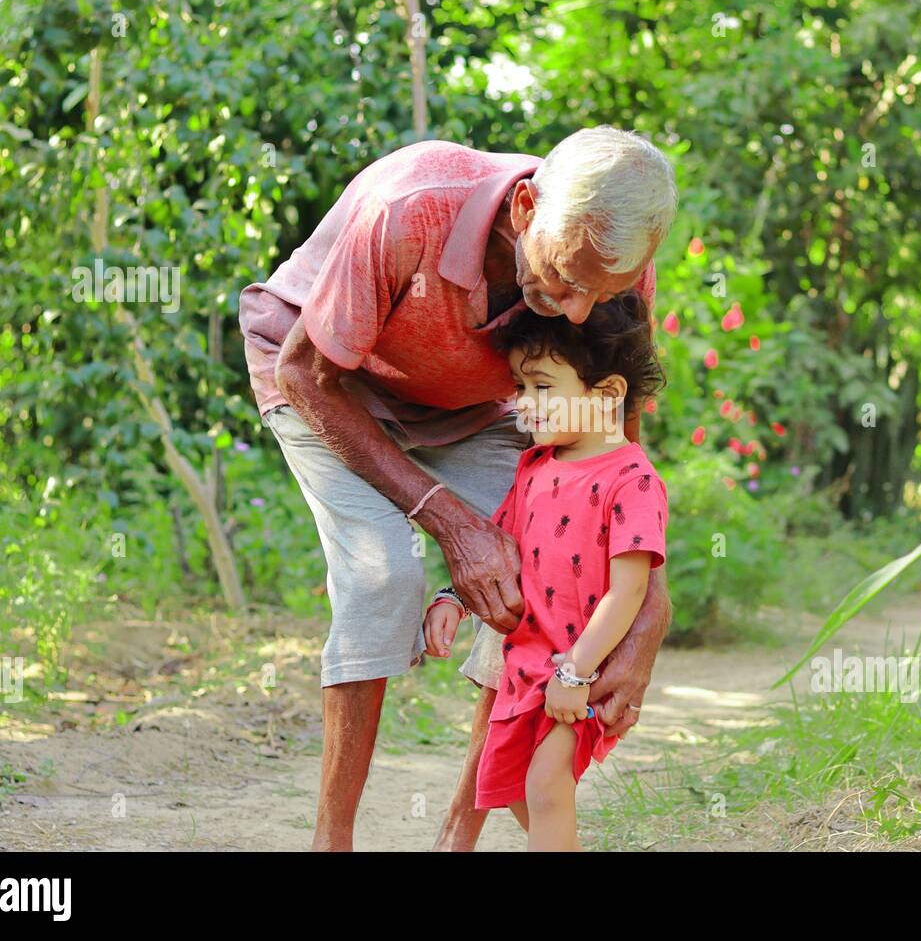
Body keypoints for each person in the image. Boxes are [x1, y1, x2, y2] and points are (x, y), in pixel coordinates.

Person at [237, 126, 678, 850]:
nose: (574, 311)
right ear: (526, 207)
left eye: (599, 293)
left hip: (472, 406)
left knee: (544, 560)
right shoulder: (410, 209)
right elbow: (305, 371)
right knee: (382, 574)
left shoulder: (611, 266)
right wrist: (448, 521)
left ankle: (455, 839)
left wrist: (650, 613)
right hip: (322, 378)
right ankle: (331, 840)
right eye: (564, 279)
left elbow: (614, 459)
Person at [423, 291, 667, 850]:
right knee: (509, 786)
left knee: (546, 786)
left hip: (578, 670)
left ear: (606, 395)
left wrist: (577, 673)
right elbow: (499, 549)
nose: (524, 406)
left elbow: (628, 591)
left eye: (543, 388)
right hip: (524, 668)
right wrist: (452, 597)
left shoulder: (632, 479)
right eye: (519, 388)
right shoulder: (534, 466)